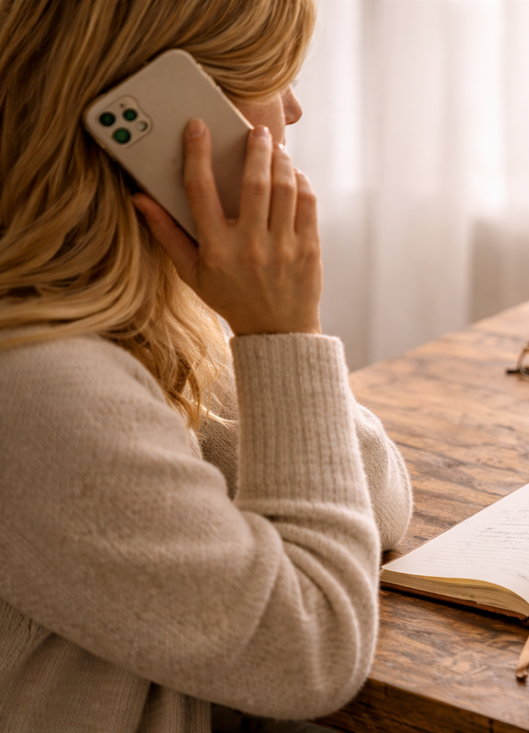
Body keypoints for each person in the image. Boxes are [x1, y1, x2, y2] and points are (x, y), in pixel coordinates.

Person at [0, 1, 413, 731]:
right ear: (157, 109)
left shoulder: (130, 320)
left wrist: (270, 328)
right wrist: (286, 331)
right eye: (269, 76)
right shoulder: (42, 385)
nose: (294, 107)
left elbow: (376, 502)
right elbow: (311, 651)